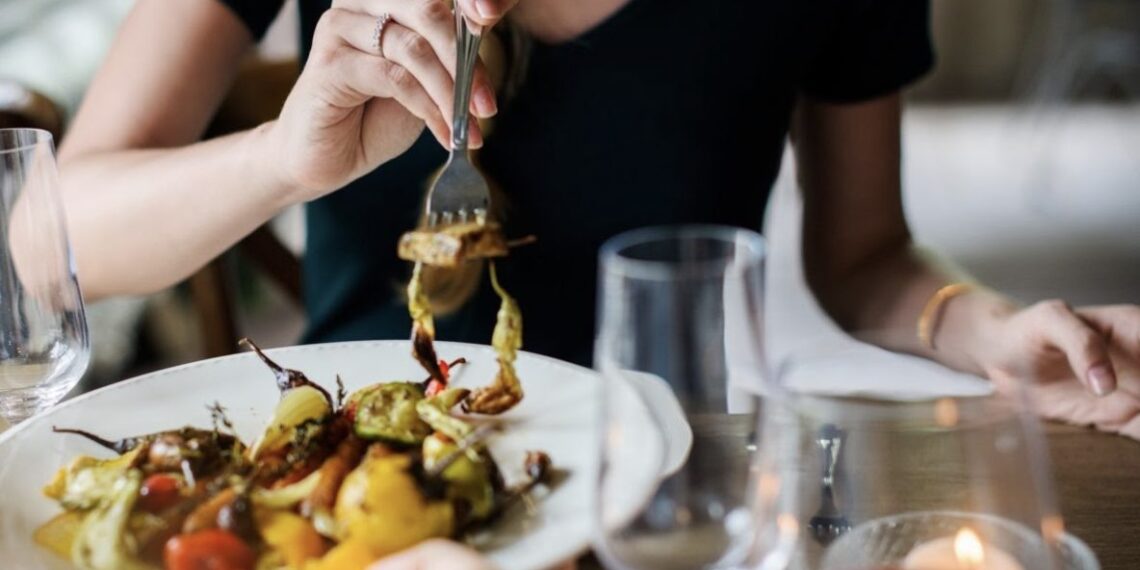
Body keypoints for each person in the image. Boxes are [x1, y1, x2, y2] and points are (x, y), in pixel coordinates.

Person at [54, 0, 1140, 562]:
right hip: (358, 518)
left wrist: (985, 328)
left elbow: (865, 261)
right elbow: (50, 239)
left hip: (674, 513)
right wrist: (285, 158)